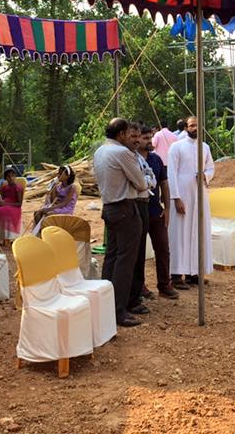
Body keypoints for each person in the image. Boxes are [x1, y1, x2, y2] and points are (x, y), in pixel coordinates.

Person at [92, 117, 150, 327]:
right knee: (126, 262)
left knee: (112, 258)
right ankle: (119, 311)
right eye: (129, 134)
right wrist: (143, 182)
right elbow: (142, 183)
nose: (132, 138)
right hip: (125, 208)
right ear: (121, 134)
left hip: (109, 208)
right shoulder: (122, 153)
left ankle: (106, 305)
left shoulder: (100, 151)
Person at [167, 116, 215, 288]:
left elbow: (210, 168)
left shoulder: (205, 147)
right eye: (192, 125)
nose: (195, 128)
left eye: (197, 125)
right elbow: (171, 173)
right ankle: (176, 275)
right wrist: (176, 197)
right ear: (186, 128)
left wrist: (205, 175)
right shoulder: (176, 147)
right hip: (182, 195)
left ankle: (194, 273)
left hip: (200, 194)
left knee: (198, 232)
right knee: (180, 234)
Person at [138, 124, 178, 299]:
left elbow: (164, 183)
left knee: (162, 248)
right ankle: (140, 286)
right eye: (146, 138)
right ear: (137, 140)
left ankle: (164, 284)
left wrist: (167, 208)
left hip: (156, 212)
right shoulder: (131, 159)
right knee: (138, 252)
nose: (150, 141)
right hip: (138, 212)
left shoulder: (156, 159)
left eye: (151, 137)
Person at [127, 121, 154, 314]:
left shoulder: (139, 157)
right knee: (132, 256)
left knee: (139, 254)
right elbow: (142, 182)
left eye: (140, 137)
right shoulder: (126, 156)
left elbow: (151, 177)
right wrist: (146, 182)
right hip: (133, 205)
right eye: (134, 137)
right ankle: (131, 298)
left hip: (144, 205)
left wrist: (147, 181)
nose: (137, 140)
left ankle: (136, 293)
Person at [30, 165, 78, 235]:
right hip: (56, 206)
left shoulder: (72, 187)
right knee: (37, 213)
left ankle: (45, 233)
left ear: (67, 176)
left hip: (66, 209)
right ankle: (41, 232)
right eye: (58, 173)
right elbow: (53, 201)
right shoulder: (58, 186)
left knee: (48, 214)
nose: (58, 175)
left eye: (61, 174)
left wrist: (49, 209)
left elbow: (65, 203)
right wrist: (52, 189)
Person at [0, 168, 25, 241]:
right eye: (8, 176)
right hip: (4, 205)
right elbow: (1, 197)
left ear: (15, 177)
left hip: (13, 207)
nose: (11, 178)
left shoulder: (18, 188)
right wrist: (0, 192)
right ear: (6, 178)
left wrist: (6, 204)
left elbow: (19, 204)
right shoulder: (5, 187)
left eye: (12, 176)